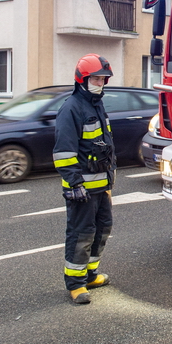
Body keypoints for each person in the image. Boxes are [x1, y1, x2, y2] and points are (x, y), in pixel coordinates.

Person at [53, 54, 116, 305]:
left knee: (102, 230)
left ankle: (90, 275)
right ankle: (76, 284)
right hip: (82, 189)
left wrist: (110, 180)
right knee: (81, 233)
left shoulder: (96, 104)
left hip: (101, 186)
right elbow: (64, 152)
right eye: (96, 78)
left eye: (103, 79)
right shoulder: (72, 108)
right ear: (82, 79)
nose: (100, 83)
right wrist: (74, 184)